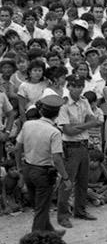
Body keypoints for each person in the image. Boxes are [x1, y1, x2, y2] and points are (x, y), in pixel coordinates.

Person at [14, 93, 71, 233]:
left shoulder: (28, 124)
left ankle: (49, 230)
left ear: (40, 111)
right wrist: (65, 177)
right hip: (43, 172)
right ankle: (37, 239)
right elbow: (57, 158)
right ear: (57, 114)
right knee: (42, 207)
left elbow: (16, 148)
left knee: (39, 206)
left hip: (28, 168)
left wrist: (20, 168)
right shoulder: (54, 132)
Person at [57, 75, 102, 225]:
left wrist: (81, 126)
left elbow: (93, 120)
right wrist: (86, 125)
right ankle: (63, 216)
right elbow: (68, 131)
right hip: (71, 146)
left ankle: (80, 210)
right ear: (69, 86)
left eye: (80, 85)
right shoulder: (64, 104)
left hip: (83, 144)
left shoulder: (84, 101)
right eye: (75, 86)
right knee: (68, 182)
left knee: (83, 180)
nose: (78, 88)